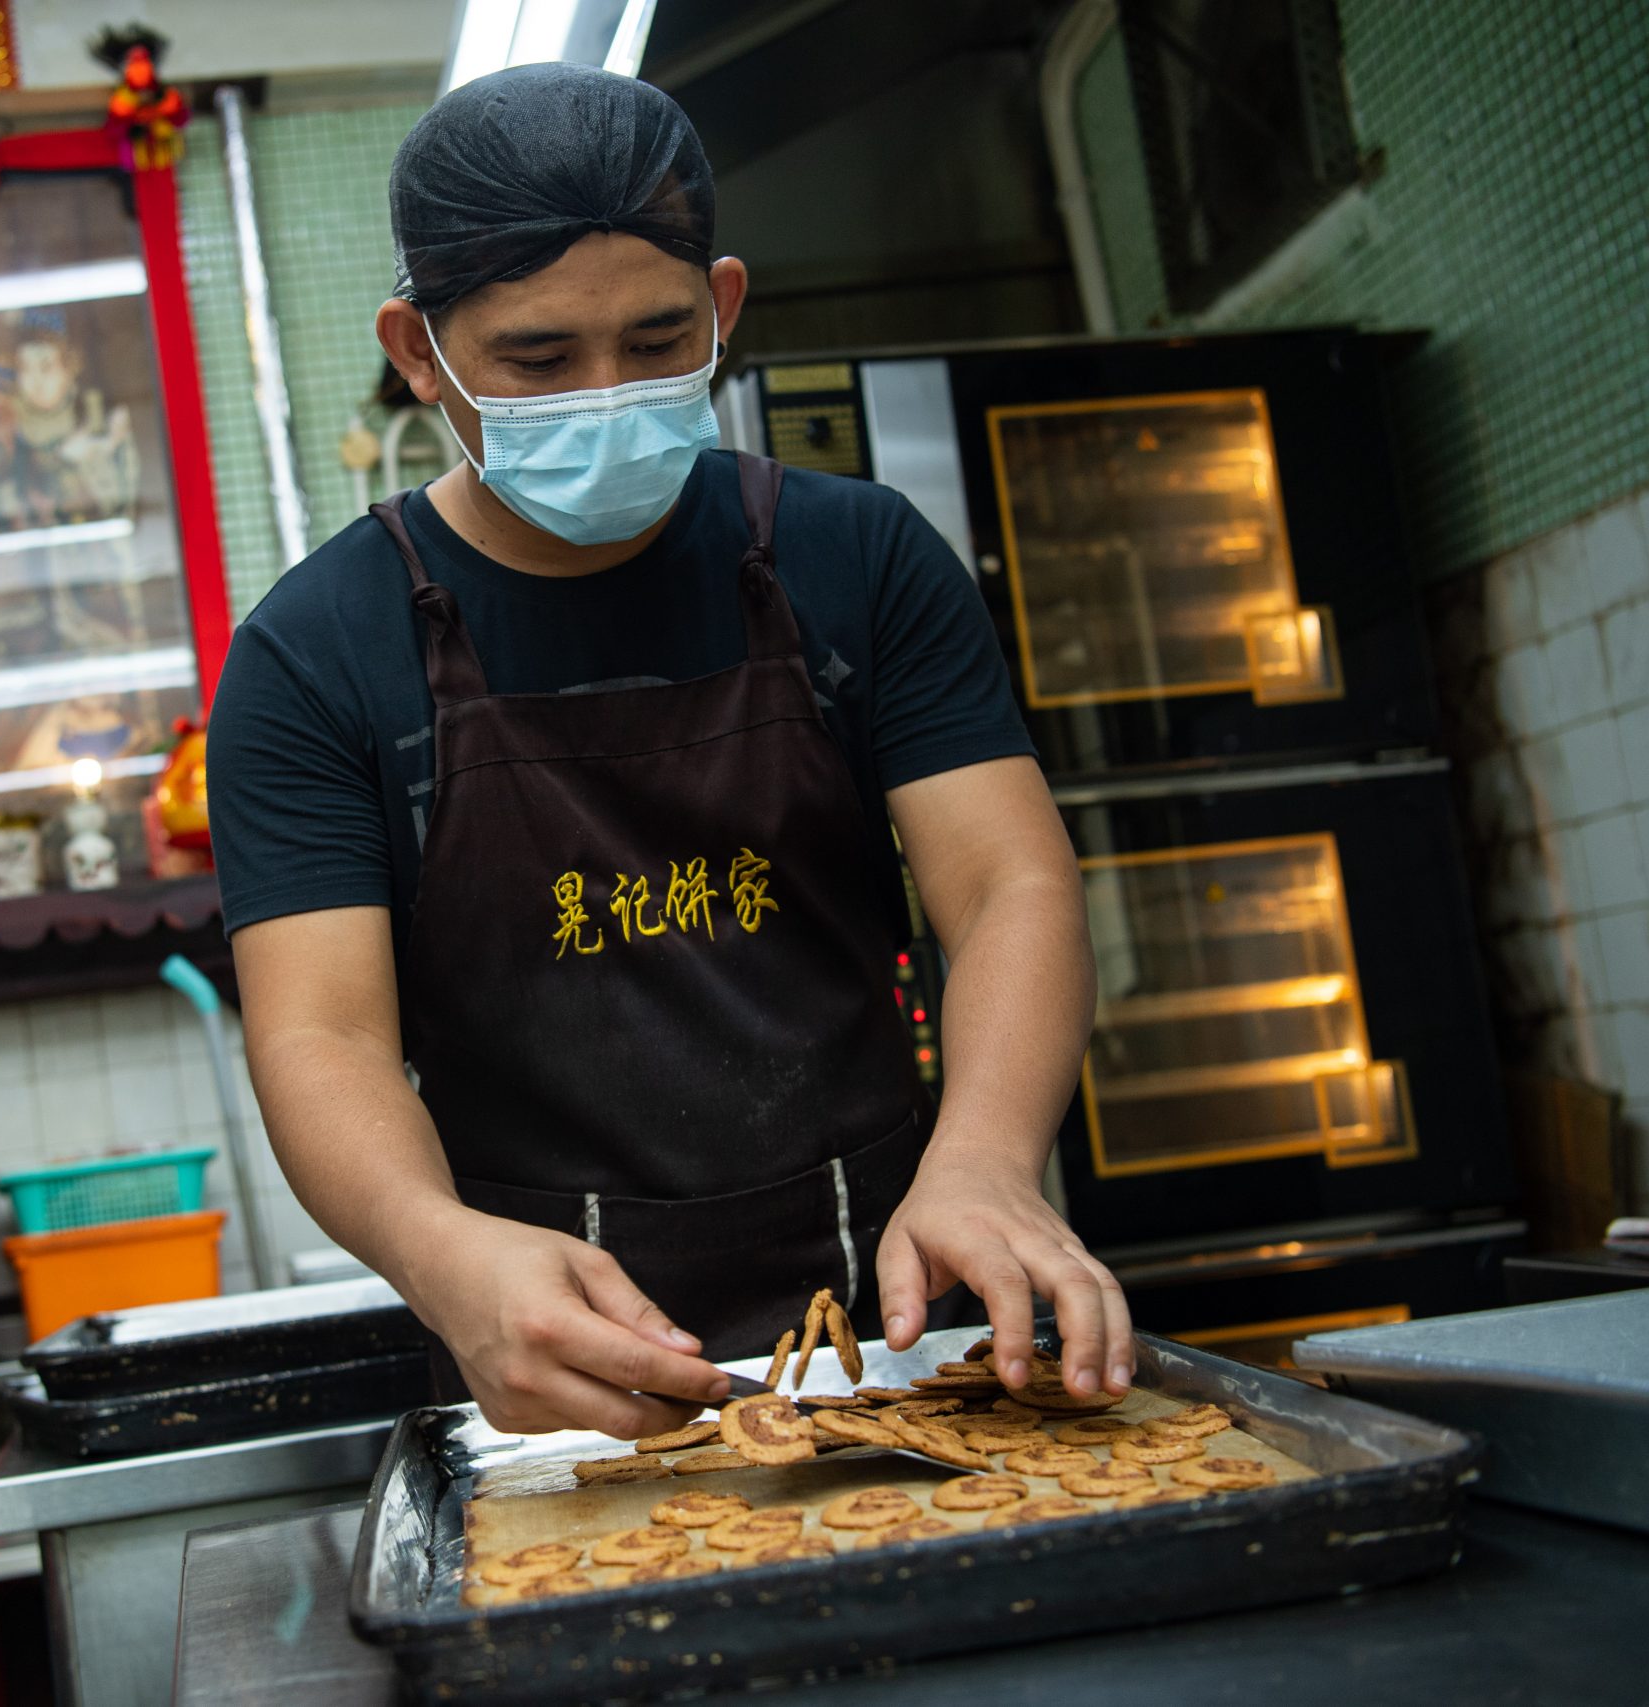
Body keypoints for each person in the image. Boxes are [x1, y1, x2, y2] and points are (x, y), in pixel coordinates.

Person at [207, 64, 1126, 1440]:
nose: (608, 394)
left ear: (726, 308)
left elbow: (1009, 887)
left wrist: (990, 1159)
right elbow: (324, 1032)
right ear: (417, 349)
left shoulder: (856, 559)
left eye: (657, 340)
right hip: (558, 1373)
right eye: (537, 361)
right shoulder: (316, 655)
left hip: (921, 1320)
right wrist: (439, 1256)